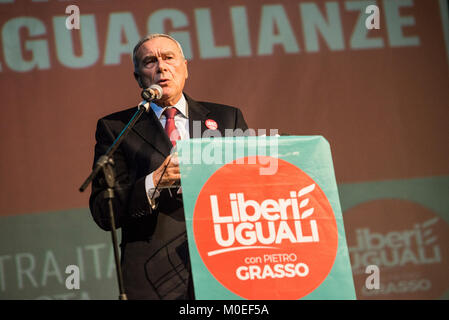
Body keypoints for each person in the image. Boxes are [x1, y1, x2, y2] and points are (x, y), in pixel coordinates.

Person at [89, 33, 249, 299]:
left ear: (185, 66)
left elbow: (250, 185)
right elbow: (104, 210)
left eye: (169, 58)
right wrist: (153, 182)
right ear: (138, 77)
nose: (161, 67)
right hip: (153, 274)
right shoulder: (116, 128)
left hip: (225, 259)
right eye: (150, 61)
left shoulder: (226, 117)